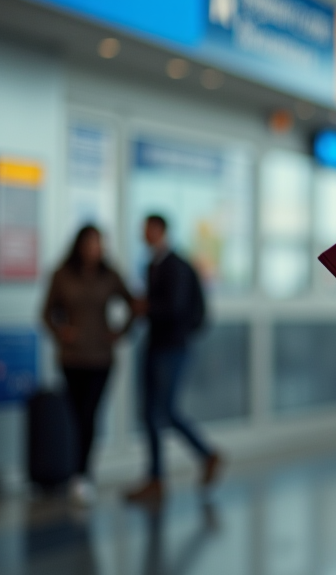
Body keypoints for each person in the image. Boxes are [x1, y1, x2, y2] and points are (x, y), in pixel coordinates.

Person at [125, 214, 222, 504]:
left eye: (148, 230)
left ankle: (203, 456)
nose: (144, 236)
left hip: (172, 347)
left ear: (161, 231)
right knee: (151, 412)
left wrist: (147, 308)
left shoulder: (175, 266)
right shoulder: (153, 265)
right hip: (156, 345)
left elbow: (175, 308)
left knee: (164, 411)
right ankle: (157, 477)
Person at [42, 225, 136, 505]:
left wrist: (119, 332)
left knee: (89, 415)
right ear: (79, 245)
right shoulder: (62, 274)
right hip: (72, 357)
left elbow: (134, 304)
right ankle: (73, 472)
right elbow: (47, 313)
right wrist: (62, 331)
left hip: (100, 357)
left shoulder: (110, 275)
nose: (94, 249)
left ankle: (83, 474)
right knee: (74, 416)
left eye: (98, 244)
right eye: (89, 243)